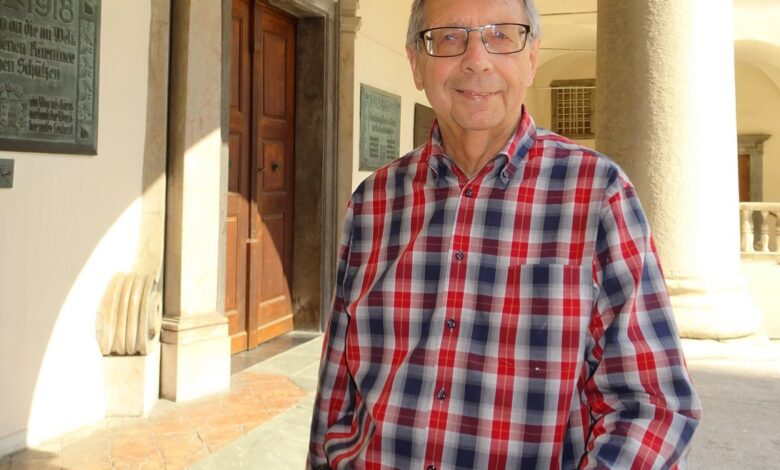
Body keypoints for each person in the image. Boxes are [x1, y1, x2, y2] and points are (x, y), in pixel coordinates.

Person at [308, 0, 702, 468]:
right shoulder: (373, 202)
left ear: (531, 57)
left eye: (501, 35)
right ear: (415, 63)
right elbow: (338, 386)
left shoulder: (597, 194)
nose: (477, 60)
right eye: (449, 37)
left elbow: (651, 405)